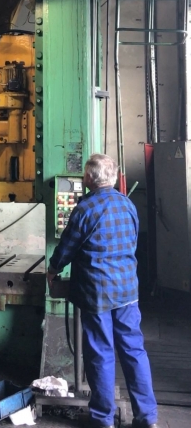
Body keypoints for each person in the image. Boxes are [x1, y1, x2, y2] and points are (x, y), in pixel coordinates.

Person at [47, 153, 158, 428]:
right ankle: (147, 417)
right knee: (134, 351)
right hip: (127, 291)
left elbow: (67, 248)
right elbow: (132, 243)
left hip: (97, 293)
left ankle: (103, 419)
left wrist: (53, 270)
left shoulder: (85, 208)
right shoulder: (128, 204)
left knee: (100, 353)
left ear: (88, 178)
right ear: (113, 177)